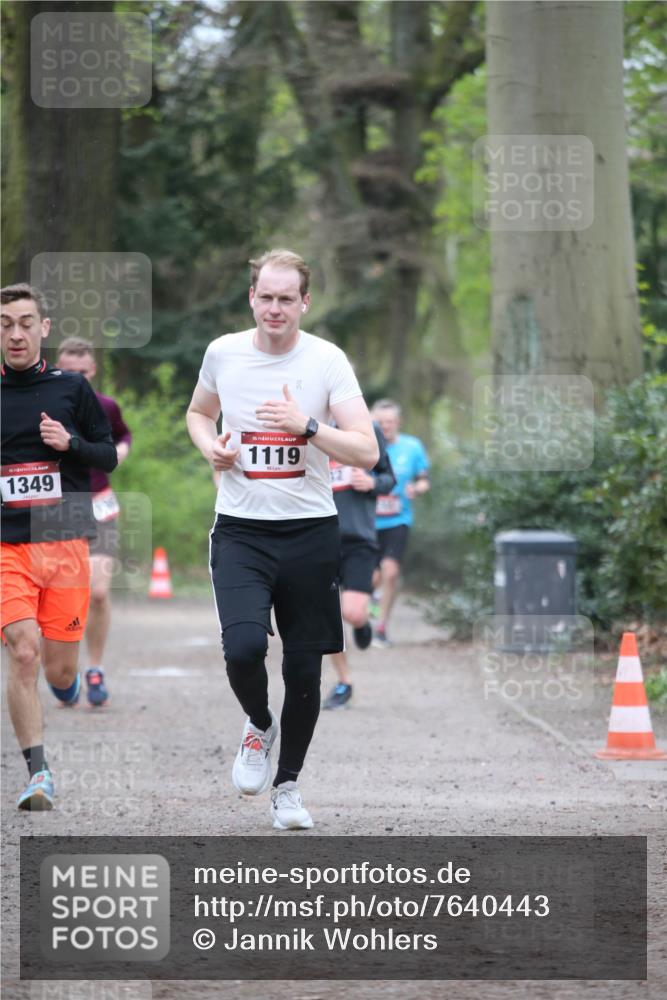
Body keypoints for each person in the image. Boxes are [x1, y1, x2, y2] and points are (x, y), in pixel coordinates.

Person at [186, 249, 378, 830]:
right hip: (241, 530)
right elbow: (198, 413)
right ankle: (259, 724)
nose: (275, 308)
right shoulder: (223, 353)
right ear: (252, 298)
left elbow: (367, 450)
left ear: (304, 302)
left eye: (286, 299)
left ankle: (288, 786)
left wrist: (309, 427)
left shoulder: (326, 360)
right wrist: (211, 447)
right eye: (265, 297)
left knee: (304, 669)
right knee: (243, 649)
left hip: (310, 532)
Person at [0, 284, 117, 810]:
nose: (16, 333)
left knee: (58, 671)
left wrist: (71, 444)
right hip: (8, 546)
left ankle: (67, 685)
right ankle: (38, 774)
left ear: (43, 328)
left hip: (65, 543)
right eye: (6, 324)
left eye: (25, 323)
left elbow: (107, 455)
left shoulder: (71, 388)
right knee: (24, 651)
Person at [56, 337, 132, 706]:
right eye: (68, 373)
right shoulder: (42, 407)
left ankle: (95, 668)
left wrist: (119, 451)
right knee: (61, 597)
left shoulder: (105, 405)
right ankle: (63, 672)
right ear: (57, 370)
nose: (76, 380)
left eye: (82, 374)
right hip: (55, 510)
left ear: (93, 371)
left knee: (98, 593)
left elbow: (122, 432)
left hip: (99, 505)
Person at [323, 423, 395, 709]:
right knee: (325, 616)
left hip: (358, 539)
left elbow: (388, 477)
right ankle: (345, 682)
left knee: (351, 613)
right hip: (317, 539)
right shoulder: (305, 424)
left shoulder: (365, 428)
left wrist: (372, 483)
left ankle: (362, 622)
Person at [370, 399, 430, 648]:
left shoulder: (412, 447)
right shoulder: (365, 446)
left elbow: (424, 479)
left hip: (398, 520)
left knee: (391, 572)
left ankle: (381, 628)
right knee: (372, 578)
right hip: (367, 521)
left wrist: (417, 488)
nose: (386, 426)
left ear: (398, 422)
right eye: (380, 422)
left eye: (390, 422)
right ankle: (373, 600)